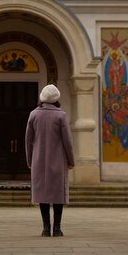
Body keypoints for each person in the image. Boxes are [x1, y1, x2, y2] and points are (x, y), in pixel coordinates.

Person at [25, 84, 75, 237]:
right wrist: (71, 160)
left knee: (43, 194)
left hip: (39, 160)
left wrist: (29, 160)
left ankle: (46, 228)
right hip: (58, 161)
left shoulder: (34, 114)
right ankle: (57, 229)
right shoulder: (61, 115)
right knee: (58, 194)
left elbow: (28, 140)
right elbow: (67, 141)